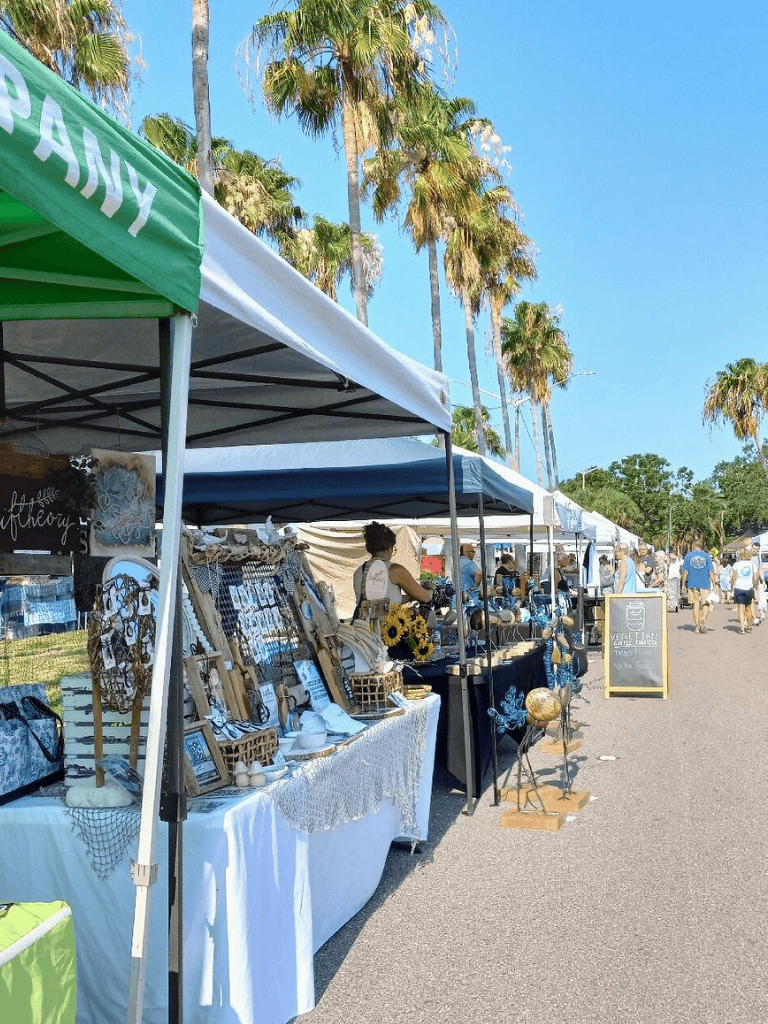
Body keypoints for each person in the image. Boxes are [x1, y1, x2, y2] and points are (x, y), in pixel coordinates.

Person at [352, 522, 433, 611]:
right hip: (386, 623)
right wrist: (431, 589)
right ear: (389, 547)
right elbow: (425, 597)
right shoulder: (395, 570)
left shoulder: (359, 571)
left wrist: (411, 596)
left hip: (363, 623)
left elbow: (389, 598)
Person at [680, 538, 717, 634]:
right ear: (701, 546)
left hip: (692, 583)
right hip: (705, 583)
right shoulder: (707, 556)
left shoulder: (688, 556)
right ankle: (703, 618)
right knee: (706, 604)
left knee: (695, 605)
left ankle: (697, 626)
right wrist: (715, 583)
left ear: (693, 546)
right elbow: (711, 572)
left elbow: (685, 572)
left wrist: (683, 584)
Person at [730, 546, 756, 634]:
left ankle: (742, 628)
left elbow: (733, 577)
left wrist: (731, 584)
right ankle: (749, 626)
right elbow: (755, 578)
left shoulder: (736, 565)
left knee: (741, 609)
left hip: (739, 587)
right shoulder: (753, 564)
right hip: (749, 587)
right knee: (748, 608)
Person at [458, 541, 483, 606]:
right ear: (468, 553)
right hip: (470, 598)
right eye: (473, 552)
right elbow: (479, 573)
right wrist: (475, 587)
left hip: (457, 597)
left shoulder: (455, 563)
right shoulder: (469, 563)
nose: (474, 554)